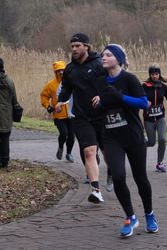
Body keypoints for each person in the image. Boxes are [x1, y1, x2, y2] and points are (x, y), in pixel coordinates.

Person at [92, 44, 158, 237]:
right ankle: (130, 217)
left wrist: (120, 97)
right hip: (111, 136)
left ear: (118, 59)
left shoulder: (129, 79)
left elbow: (143, 103)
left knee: (140, 178)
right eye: (102, 55)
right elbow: (97, 105)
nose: (103, 57)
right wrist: (98, 104)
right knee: (118, 176)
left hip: (133, 136)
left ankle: (149, 214)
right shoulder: (99, 81)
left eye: (108, 54)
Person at [56, 33, 111, 203]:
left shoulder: (99, 64)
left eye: (77, 46)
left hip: (102, 116)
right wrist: (60, 101)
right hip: (81, 116)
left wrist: (102, 96)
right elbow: (66, 90)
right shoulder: (70, 70)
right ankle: (96, 190)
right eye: (72, 46)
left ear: (86, 46)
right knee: (89, 151)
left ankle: (112, 171)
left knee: (107, 151)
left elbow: (111, 85)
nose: (74, 49)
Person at [40, 61, 75, 162]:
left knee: (72, 136)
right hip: (58, 114)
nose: (61, 72)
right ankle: (60, 147)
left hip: (71, 113)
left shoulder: (71, 82)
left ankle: (69, 153)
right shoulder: (51, 85)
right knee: (64, 133)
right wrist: (48, 106)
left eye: (62, 70)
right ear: (55, 72)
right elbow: (43, 96)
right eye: (58, 71)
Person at [142, 65, 167, 172]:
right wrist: (144, 103)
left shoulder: (163, 87)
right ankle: (139, 144)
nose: (155, 76)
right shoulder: (144, 86)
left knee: (162, 139)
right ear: (150, 75)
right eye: (152, 74)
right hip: (149, 119)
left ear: (159, 74)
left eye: (156, 74)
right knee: (151, 142)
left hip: (160, 118)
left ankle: (160, 163)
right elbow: (139, 99)